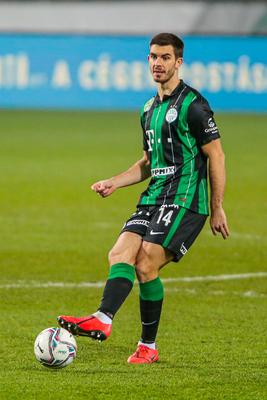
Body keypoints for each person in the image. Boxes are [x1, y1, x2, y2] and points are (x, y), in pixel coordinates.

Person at [58, 32, 229, 364]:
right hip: (153, 196)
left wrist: (217, 207)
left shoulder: (194, 105)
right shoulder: (148, 109)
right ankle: (104, 319)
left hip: (185, 199)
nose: (158, 63)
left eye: (165, 57)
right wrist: (114, 182)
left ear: (178, 62)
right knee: (119, 253)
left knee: (146, 262)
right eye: (153, 56)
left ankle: (148, 346)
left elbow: (217, 155)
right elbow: (149, 163)